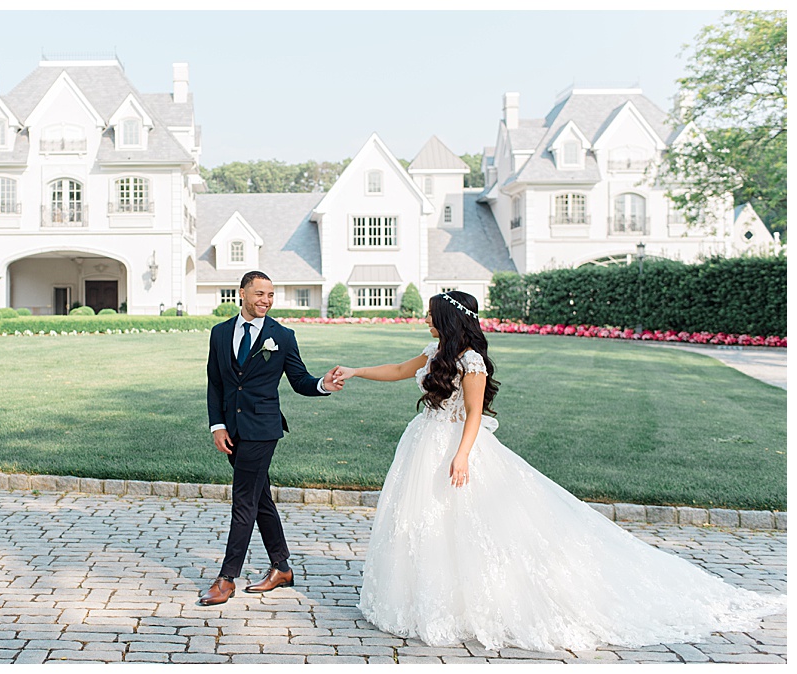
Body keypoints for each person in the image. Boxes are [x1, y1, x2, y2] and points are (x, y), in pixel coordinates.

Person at [331, 290, 785, 651]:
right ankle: (419, 597)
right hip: (422, 443)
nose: (425, 320)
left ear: (449, 320)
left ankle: (470, 602)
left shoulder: (471, 362)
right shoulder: (436, 351)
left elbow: (472, 414)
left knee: (467, 524)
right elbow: (397, 368)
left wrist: (463, 454)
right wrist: (354, 370)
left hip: (453, 446)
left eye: (431, 315)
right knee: (423, 522)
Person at [200, 270, 343, 606]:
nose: (265, 300)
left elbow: (300, 381)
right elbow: (216, 384)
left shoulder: (282, 335)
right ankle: (281, 568)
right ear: (242, 293)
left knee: (243, 501)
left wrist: (322, 384)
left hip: (263, 431)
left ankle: (226, 578)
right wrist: (216, 425)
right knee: (260, 498)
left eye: (270, 295)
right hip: (232, 430)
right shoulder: (220, 334)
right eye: (259, 294)